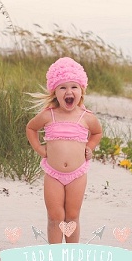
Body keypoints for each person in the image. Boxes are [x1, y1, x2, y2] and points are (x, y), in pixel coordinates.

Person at [26, 57, 103, 244]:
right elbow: (30, 128)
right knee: (55, 217)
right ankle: (55, 255)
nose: (69, 91)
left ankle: (72, 254)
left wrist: (90, 147)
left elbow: (97, 133)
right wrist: (39, 148)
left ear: (81, 90)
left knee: (72, 216)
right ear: (55, 92)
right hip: (53, 174)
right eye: (62, 87)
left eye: (74, 87)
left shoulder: (87, 117)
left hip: (77, 174)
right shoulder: (48, 115)